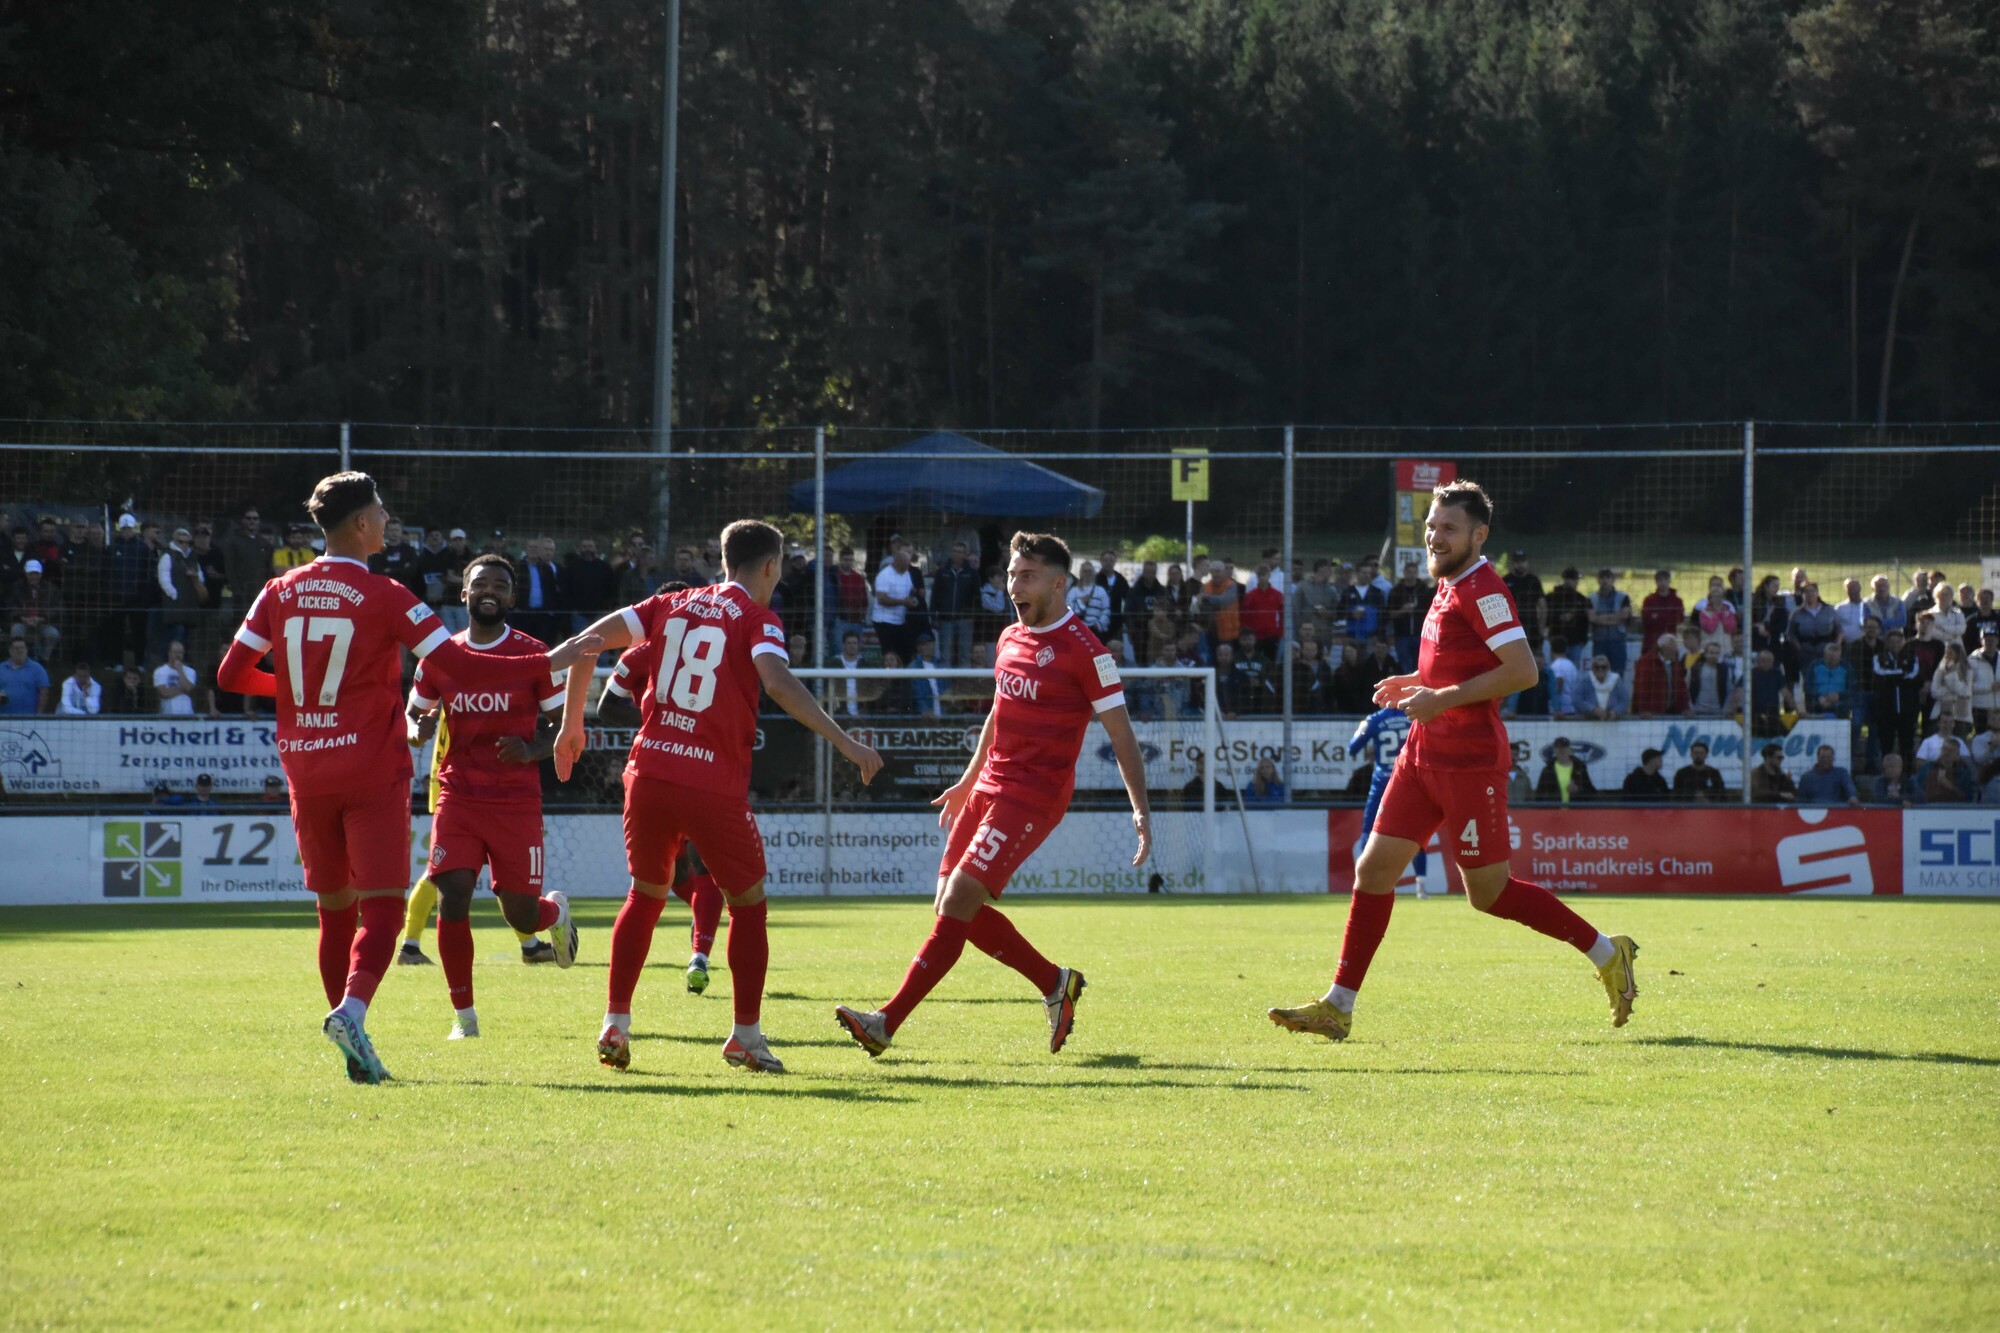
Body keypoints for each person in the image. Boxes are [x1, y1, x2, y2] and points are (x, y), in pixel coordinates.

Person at [214, 471, 586, 1086]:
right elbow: (464, 664)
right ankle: (352, 1014)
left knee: (334, 911)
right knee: (382, 913)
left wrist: (308, 697)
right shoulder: (387, 595)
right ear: (360, 524)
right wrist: (559, 657)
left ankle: (351, 1042)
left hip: (307, 771)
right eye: (381, 511)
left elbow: (231, 675)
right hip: (371, 774)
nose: (388, 520)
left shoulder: (278, 590)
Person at [1268, 481, 1638, 1045]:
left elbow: (1522, 672)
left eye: (1448, 528)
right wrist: (1419, 682)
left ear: (1478, 535)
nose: (1435, 537)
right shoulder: (1446, 586)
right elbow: (1461, 666)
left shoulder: (1484, 590)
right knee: (1373, 870)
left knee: (1488, 894)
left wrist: (1439, 698)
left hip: (1468, 764)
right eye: (1432, 526)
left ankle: (1608, 953)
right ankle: (1338, 1006)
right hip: (1422, 754)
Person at [550, 519, 884, 1075]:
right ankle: (745, 1038)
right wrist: (846, 742)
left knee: (645, 895)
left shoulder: (670, 602)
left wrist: (562, 713)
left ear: (723, 558)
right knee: (749, 904)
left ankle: (615, 1022)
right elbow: (777, 682)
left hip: (649, 772)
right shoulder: (759, 618)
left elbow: (589, 643)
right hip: (709, 782)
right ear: (772, 567)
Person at [834, 531, 1151, 1059]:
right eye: (1010, 574)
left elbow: (1123, 739)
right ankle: (1056, 982)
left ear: (1059, 582)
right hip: (987, 787)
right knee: (951, 908)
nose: (1013, 586)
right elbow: (999, 713)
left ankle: (885, 1022)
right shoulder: (1009, 638)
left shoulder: (1088, 653)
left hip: (1033, 796)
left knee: (958, 901)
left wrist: (1140, 810)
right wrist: (967, 779)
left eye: (1026, 576)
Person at [396, 555, 588, 1035]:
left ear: (512, 598)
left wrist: (530, 750)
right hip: (458, 792)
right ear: (463, 594)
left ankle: (554, 912)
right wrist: (415, 729)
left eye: (500, 585)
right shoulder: (441, 657)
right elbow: (413, 715)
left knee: (519, 911)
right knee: (453, 895)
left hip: (515, 801)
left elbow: (561, 729)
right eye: (480, 583)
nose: (490, 591)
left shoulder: (533, 655)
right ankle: (464, 1018)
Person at [595, 615, 728, 991]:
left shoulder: (640, 652)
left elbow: (607, 706)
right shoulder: (702, 648)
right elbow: (606, 707)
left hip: (656, 770)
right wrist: (660, 719)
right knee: (689, 874)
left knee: (676, 876)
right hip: (689, 768)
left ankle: (698, 953)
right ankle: (702, 941)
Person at [1345, 707, 1428, 892]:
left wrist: (1365, 729)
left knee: (1368, 833)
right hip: (1410, 782)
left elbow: (1353, 748)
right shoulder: (1415, 715)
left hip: (1382, 784)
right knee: (1418, 833)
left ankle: (1364, 884)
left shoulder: (1374, 719)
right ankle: (1421, 886)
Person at [870, 541, 921, 663]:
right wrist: (903, 602)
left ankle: (902, 680)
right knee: (889, 655)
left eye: (908, 565)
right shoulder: (884, 575)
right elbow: (881, 599)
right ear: (897, 563)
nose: (907, 568)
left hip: (900, 620)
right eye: (905, 565)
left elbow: (910, 590)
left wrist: (914, 597)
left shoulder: (906, 573)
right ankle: (889, 680)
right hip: (883, 621)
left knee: (905, 652)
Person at [1535, 735, 1597, 804]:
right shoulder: (1547, 770)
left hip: (1575, 812)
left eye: (1564, 747)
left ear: (1570, 750)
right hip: (1553, 813)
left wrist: (1577, 791)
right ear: (1554, 750)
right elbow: (1539, 796)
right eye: (1558, 747)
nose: (1561, 750)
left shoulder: (1580, 768)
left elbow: (1591, 793)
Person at [1795, 743, 1860, 807]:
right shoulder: (1806, 777)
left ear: (1833, 757)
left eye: (1829, 757)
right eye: (1823, 757)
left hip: (1837, 812)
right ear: (1818, 757)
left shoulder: (1841, 773)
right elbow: (1801, 801)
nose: (1826, 760)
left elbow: (1848, 786)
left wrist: (1852, 796)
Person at [1917, 737, 1976, 804]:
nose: (1946, 753)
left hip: (1954, 808)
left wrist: (1949, 786)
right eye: (1945, 749)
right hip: (1928, 808)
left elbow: (1968, 798)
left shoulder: (1963, 772)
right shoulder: (1927, 768)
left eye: (1951, 751)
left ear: (1957, 755)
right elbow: (1918, 791)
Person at [0, 636, 49, 714]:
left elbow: (44, 692)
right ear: (10, 651)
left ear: (26, 650)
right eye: (16, 648)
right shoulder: (1, 668)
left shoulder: (37, 669)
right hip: (4, 719)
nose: (20, 650)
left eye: (22, 648)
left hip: (28, 719)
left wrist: (39, 715)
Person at [153, 640, 197, 716]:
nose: (178, 655)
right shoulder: (159, 671)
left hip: (187, 714)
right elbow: (164, 693)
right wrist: (183, 689)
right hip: (167, 714)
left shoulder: (190, 671)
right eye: (175, 652)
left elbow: (188, 688)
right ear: (169, 653)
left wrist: (180, 670)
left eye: (180, 652)